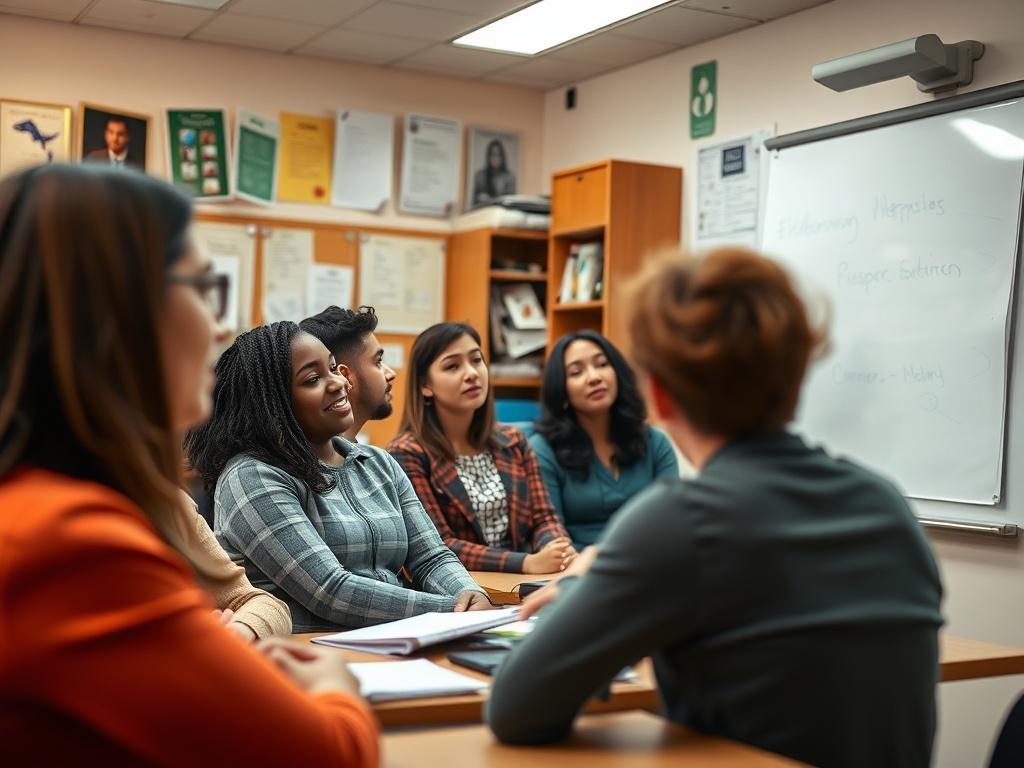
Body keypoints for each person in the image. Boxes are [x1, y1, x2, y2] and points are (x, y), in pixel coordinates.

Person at [487, 247, 944, 768]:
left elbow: (516, 708)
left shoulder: (679, 522)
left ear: (658, 394)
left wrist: (580, 583)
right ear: (796, 376)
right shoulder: (885, 505)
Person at [0, 164, 377, 765]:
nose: (221, 325)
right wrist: (337, 688)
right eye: (205, 292)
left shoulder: (57, 504)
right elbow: (324, 754)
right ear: (120, 311)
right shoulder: (69, 541)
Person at [184, 322, 490, 632]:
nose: (338, 383)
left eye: (333, 368)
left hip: (398, 637)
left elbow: (432, 557)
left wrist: (469, 594)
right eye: (313, 379)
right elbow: (330, 591)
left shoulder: (377, 462)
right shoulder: (250, 476)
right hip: (311, 649)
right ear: (272, 403)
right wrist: (450, 610)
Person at [388, 322, 575, 574]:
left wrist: (557, 549)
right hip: (461, 589)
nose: (471, 373)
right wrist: (525, 563)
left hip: (524, 582)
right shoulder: (407, 453)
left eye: (476, 360)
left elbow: (544, 517)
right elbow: (438, 545)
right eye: (453, 366)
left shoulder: (514, 441)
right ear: (425, 386)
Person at [530, 330, 679, 547]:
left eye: (602, 364)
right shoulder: (543, 451)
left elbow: (673, 521)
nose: (594, 377)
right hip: (580, 571)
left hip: (653, 565)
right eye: (576, 372)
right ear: (560, 389)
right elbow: (551, 537)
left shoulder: (655, 442)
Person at [181, 491, 293, 640]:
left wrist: (239, 629)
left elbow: (262, 603)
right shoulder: (249, 477)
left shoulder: (172, 506)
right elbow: (328, 592)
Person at [300, 305, 396, 441]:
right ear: (344, 376)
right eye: (378, 361)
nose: (391, 374)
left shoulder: (362, 458)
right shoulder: (316, 460)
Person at [471, 138, 516, 207]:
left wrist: (490, 200)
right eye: (493, 155)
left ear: (503, 157)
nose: (496, 159)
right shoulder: (480, 176)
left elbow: (510, 201)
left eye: (499, 155)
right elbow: (473, 201)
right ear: (488, 156)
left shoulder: (509, 177)